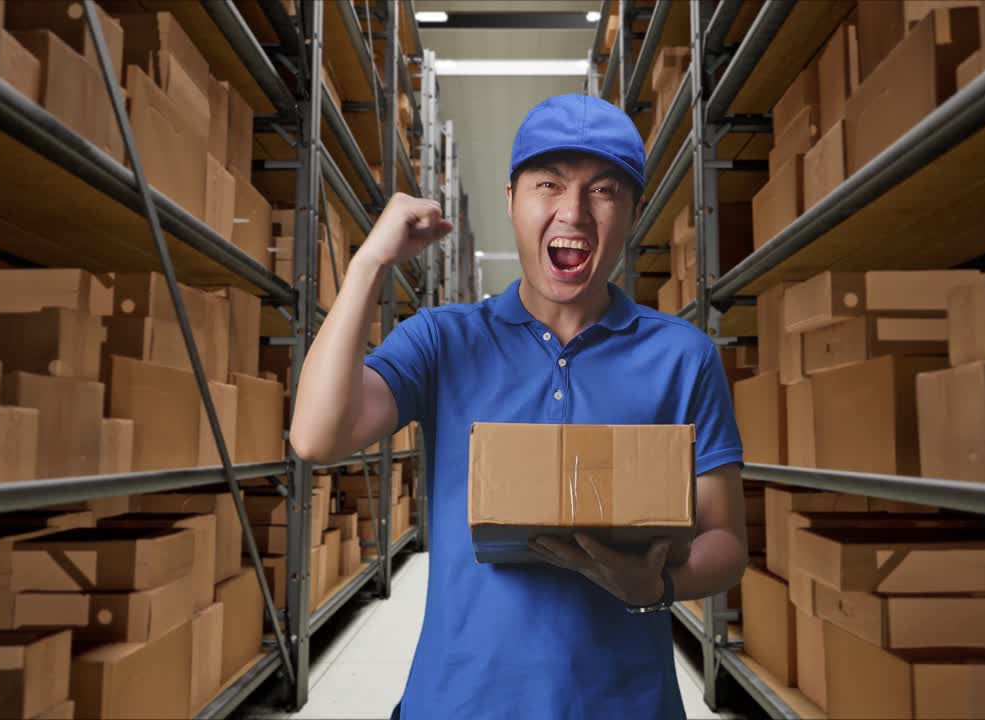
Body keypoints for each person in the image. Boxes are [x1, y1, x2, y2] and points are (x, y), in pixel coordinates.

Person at [290, 93, 748, 720]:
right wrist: (369, 264)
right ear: (511, 200)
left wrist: (660, 585)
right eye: (548, 184)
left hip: (624, 705)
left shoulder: (683, 357)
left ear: (635, 211)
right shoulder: (441, 341)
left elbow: (725, 538)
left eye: (604, 190)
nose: (574, 213)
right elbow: (316, 437)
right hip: (456, 703)